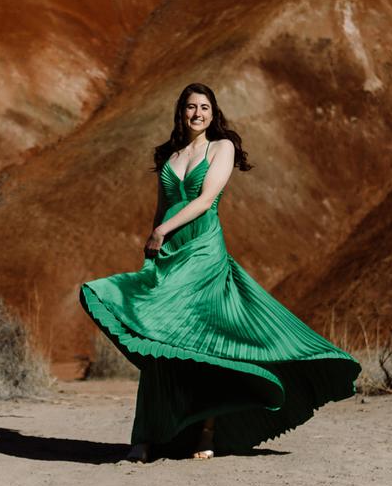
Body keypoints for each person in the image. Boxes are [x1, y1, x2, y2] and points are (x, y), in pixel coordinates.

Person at [79, 82, 361, 462]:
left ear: (214, 114)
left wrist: (162, 230)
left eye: (205, 108)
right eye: (191, 107)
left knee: (203, 341)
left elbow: (206, 199)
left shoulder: (221, 147)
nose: (198, 113)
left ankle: (206, 432)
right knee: (158, 338)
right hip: (170, 252)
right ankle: (144, 438)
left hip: (203, 250)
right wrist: (153, 249)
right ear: (181, 112)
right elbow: (160, 208)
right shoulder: (170, 155)